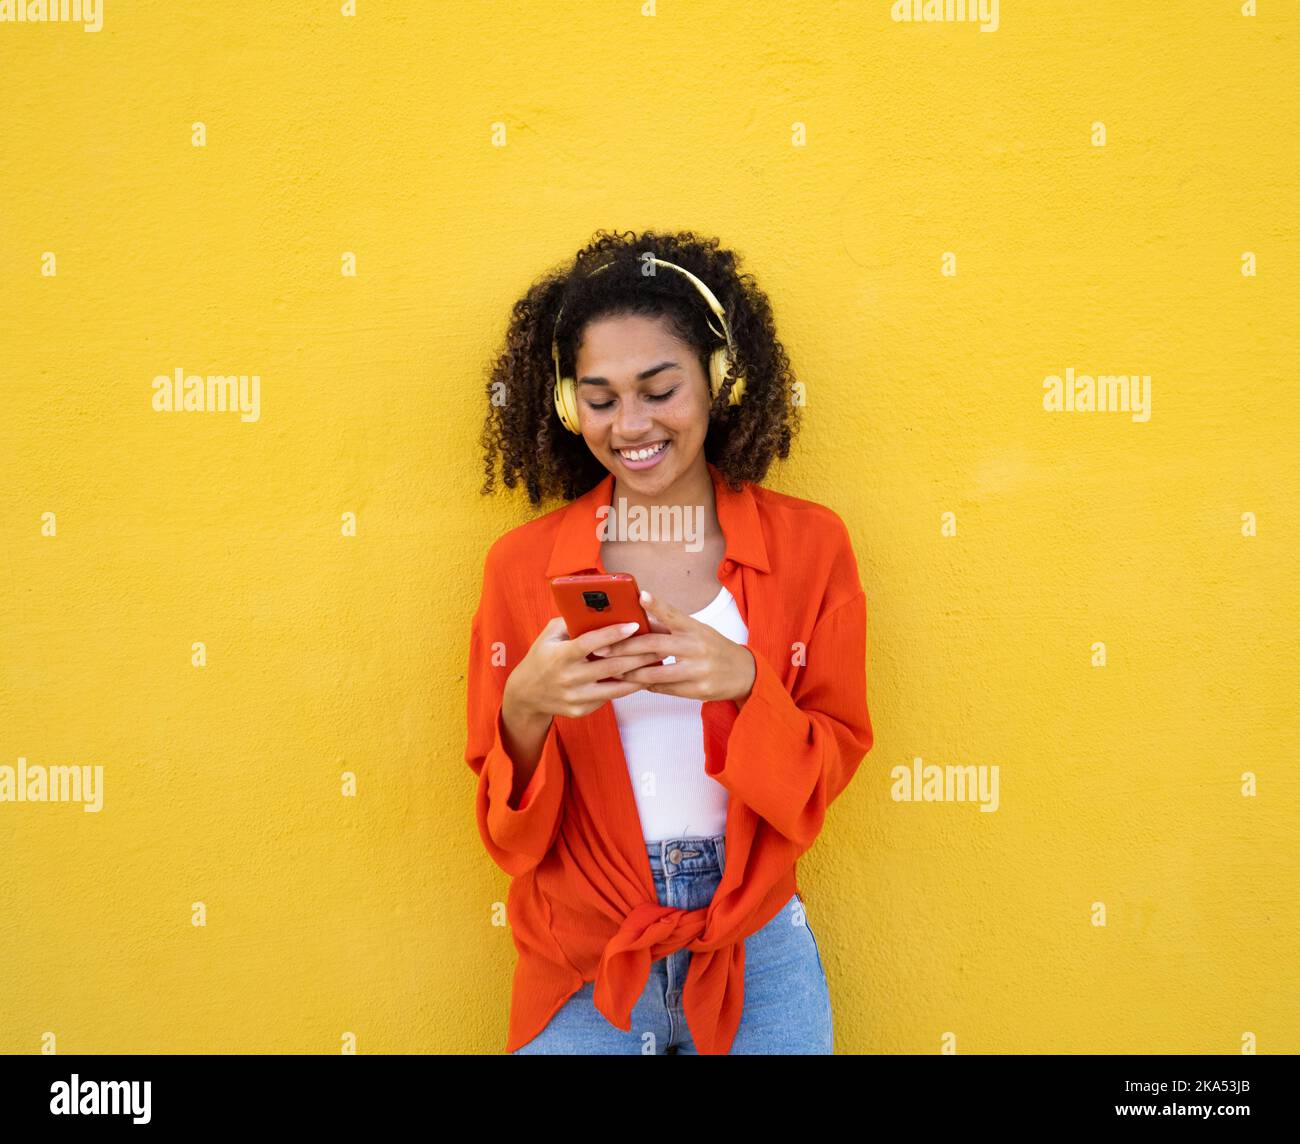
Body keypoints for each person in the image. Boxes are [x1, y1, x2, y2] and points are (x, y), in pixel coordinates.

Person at [466, 228, 874, 1054]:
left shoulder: (811, 547)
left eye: (660, 389)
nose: (631, 424)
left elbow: (826, 767)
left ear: (718, 382)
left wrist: (743, 682)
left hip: (756, 948)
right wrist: (526, 707)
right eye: (601, 396)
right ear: (563, 403)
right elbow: (507, 832)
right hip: (583, 956)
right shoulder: (521, 567)